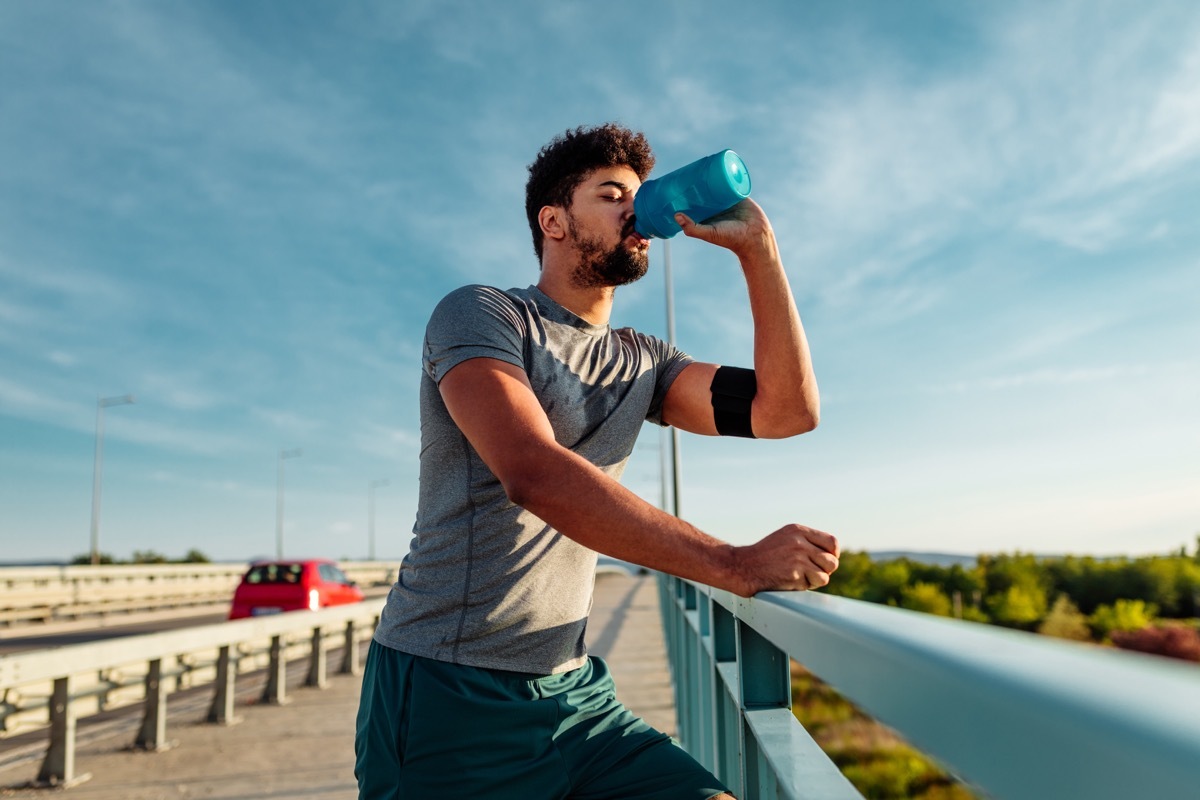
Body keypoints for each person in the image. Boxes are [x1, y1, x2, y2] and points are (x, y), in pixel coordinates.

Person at [354, 122, 840, 799]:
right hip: (449, 690)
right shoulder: (482, 315)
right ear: (553, 221)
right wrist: (732, 563)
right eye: (612, 194)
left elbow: (786, 411)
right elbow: (533, 471)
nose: (634, 210)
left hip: (576, 692)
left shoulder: (645, 361)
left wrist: (760, 253)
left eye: (639, 196)